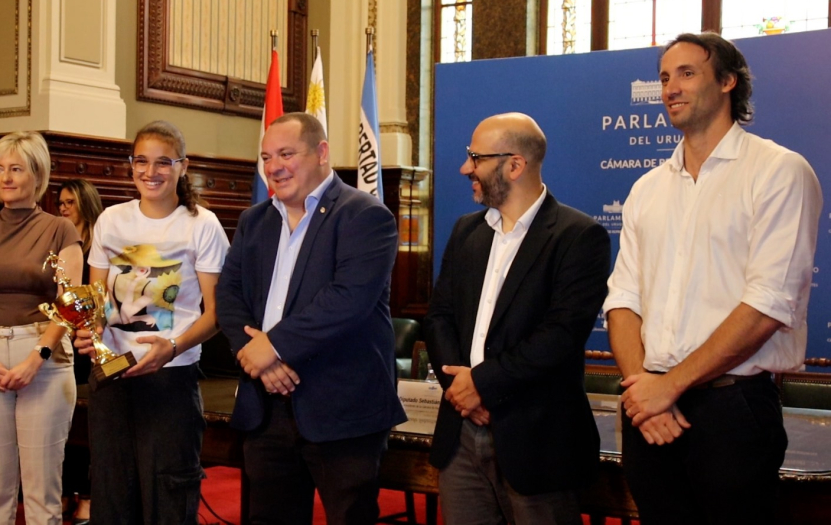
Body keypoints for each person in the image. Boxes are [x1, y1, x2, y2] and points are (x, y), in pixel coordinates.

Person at [604, 32, 822, 525]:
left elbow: (768, 304)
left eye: (686, 73)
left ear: (728, 82)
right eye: (664, 77)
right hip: (649, 412)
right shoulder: (646, 188)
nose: (670, 88)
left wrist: (669, 387)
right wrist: (646, 392)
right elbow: (623, 300)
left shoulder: (779, 172)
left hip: (733, 411)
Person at [216, 112, 407, 525]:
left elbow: (348, 300)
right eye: (266, 157)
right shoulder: (255, 220)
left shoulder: (365, 215)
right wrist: (256, 356)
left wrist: (274, 346)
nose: (273, 167)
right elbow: (229, 295)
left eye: (286, 153)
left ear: (322, 153)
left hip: (342, 408)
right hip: (265, 408)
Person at [424, 112, 611, 525]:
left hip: (537, 441)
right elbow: (439, 318)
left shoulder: (578, 236)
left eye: (476, 157)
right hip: (461, 434)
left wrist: (482, 385)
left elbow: (559, 337)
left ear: (514, 164)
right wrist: (461, 390)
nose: (465, 168)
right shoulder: (466, 231)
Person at [74, 120, 229, 524]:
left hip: (170, 378)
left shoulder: (202, 225)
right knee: (111, 492)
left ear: (183, 166)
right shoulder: (111, 219)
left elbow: (217, 313)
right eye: (141, 161)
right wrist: (91, 332)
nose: (150, 171)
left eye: (163, 162)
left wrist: (173, 347)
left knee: (167, 497)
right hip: (111, 376)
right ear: (130, 166)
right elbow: (96, 298)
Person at [0, 131, 83, 524]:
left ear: (37, 174)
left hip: (42, 357)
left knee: (42, 494)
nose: (5, 177)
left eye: (15, 168)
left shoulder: (60, 229)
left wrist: (36, 358)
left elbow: (69, 304)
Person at [57, 178, 104, 524]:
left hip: (89, 340)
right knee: (64, 422)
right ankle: (63, 492)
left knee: (86, 423)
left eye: (69, 202)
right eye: (60, 202)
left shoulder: (98, 246)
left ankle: (87, 496)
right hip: (61, 339)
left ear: (85, 204)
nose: (62, 208)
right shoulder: (58, 243)